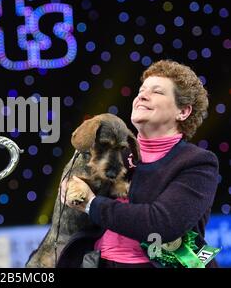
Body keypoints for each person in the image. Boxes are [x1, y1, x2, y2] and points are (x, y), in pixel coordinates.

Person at [59, 60, 220, 268]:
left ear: (183, 112)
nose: (142, 96)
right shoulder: (115, 152)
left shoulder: (198, 162)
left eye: (157, 92)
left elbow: (161, 224)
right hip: (100, 262)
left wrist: (92, 204)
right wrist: (70, 187)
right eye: (141, 90)